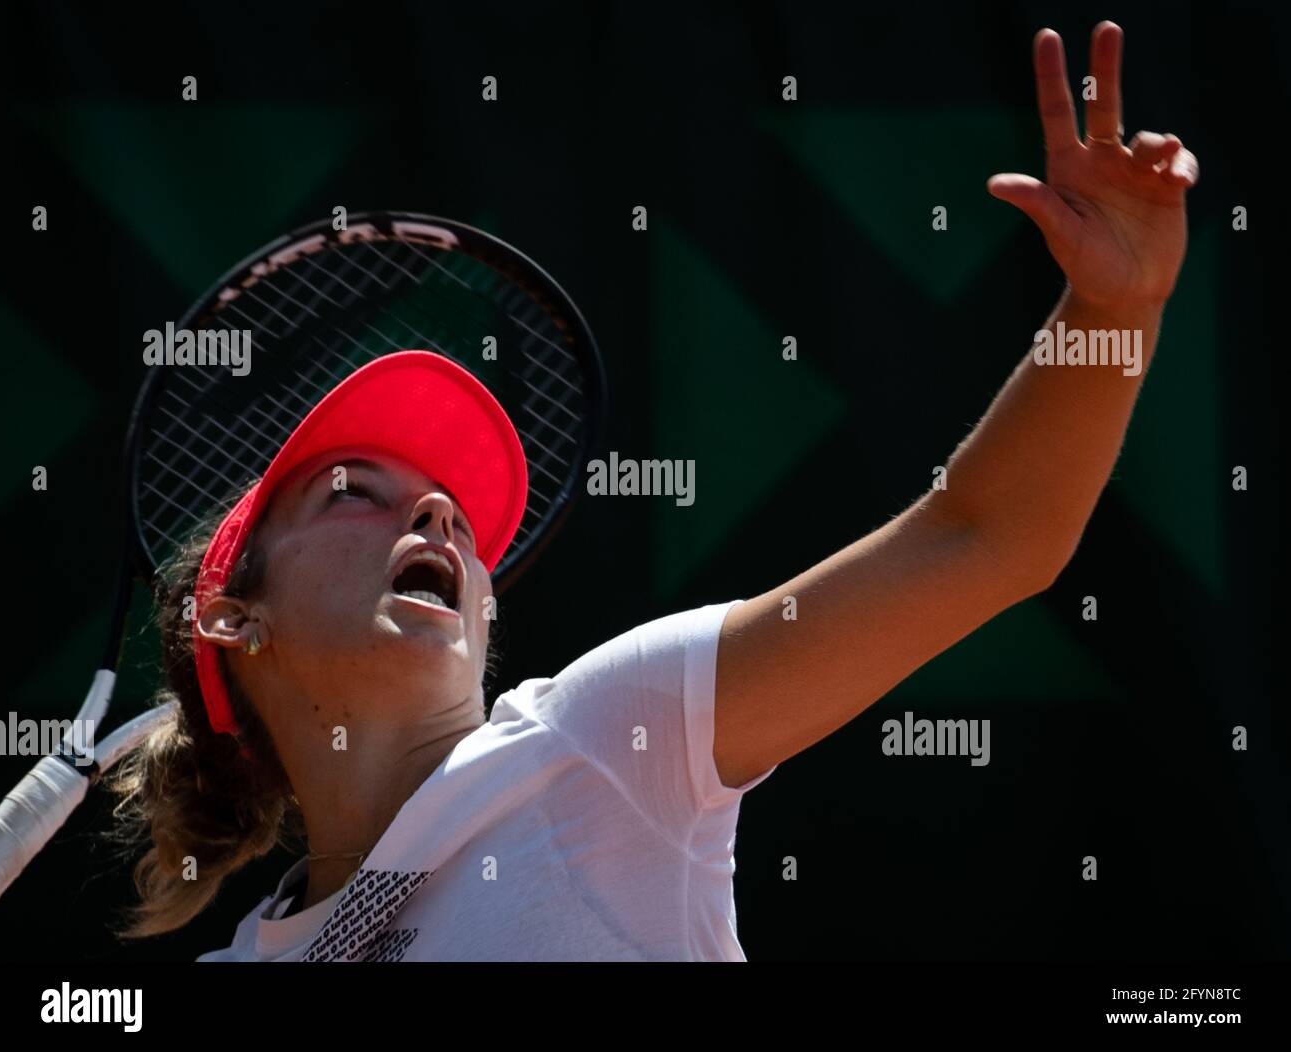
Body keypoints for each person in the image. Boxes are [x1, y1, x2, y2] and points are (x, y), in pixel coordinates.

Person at [106, 21, 1197, 961]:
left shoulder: (606, 734)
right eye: (353, 491)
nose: (435, 514)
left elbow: (987, 537)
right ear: (234, 617)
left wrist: (1112, 310)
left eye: (451, 509)